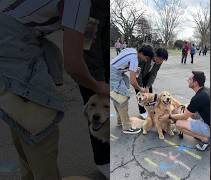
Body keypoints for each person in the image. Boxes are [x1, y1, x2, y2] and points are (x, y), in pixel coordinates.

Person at [0, 1, 107, 179]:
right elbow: (74, 63)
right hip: (11, 42)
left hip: (16, 34)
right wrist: (98, 86)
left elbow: (87, 42)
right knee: (40, 132)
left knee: (23, 125)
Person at [76, 0, 109, 178]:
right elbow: (86, 41)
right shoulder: (95, 4)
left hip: (104, 68)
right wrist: (98, 81)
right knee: (97, 115)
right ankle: (104, 162)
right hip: (92, 72)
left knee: (109, 116)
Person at [160, 71, 210, 151]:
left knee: (179, 124)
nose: (187, 80)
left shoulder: (198, 98)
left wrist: (169, 116)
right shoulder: (206, 90)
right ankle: (202, 133)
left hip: (209, 127)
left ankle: (205, 139)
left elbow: (184, 116)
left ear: (195, 82)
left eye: (189, 79)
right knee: (187, 107)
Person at [110, 45, 154, 134]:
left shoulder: (132, 50)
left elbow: (123, 61)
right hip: (114, 73)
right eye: (146, 58)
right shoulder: (134, 59)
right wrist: (140, 89)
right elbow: (133, 81)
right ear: (141, 53)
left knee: (120, 94)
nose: (146, 60)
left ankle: (120, 121)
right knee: (123, 98)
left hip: (117, 71)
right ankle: (127, 127)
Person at [135, 48, 169, 119]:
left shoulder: (159, 62)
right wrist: (141, 87)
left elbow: (154, 74)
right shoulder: (146, 57)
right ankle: (142, 112)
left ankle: (150, 110)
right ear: (155, 55)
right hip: (139, 75)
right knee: (140, 94)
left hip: (148, 75)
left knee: (150, 94)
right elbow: (138, 73)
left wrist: (148, 86)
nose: (160, 61)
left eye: (162, 60)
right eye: (160, 58)